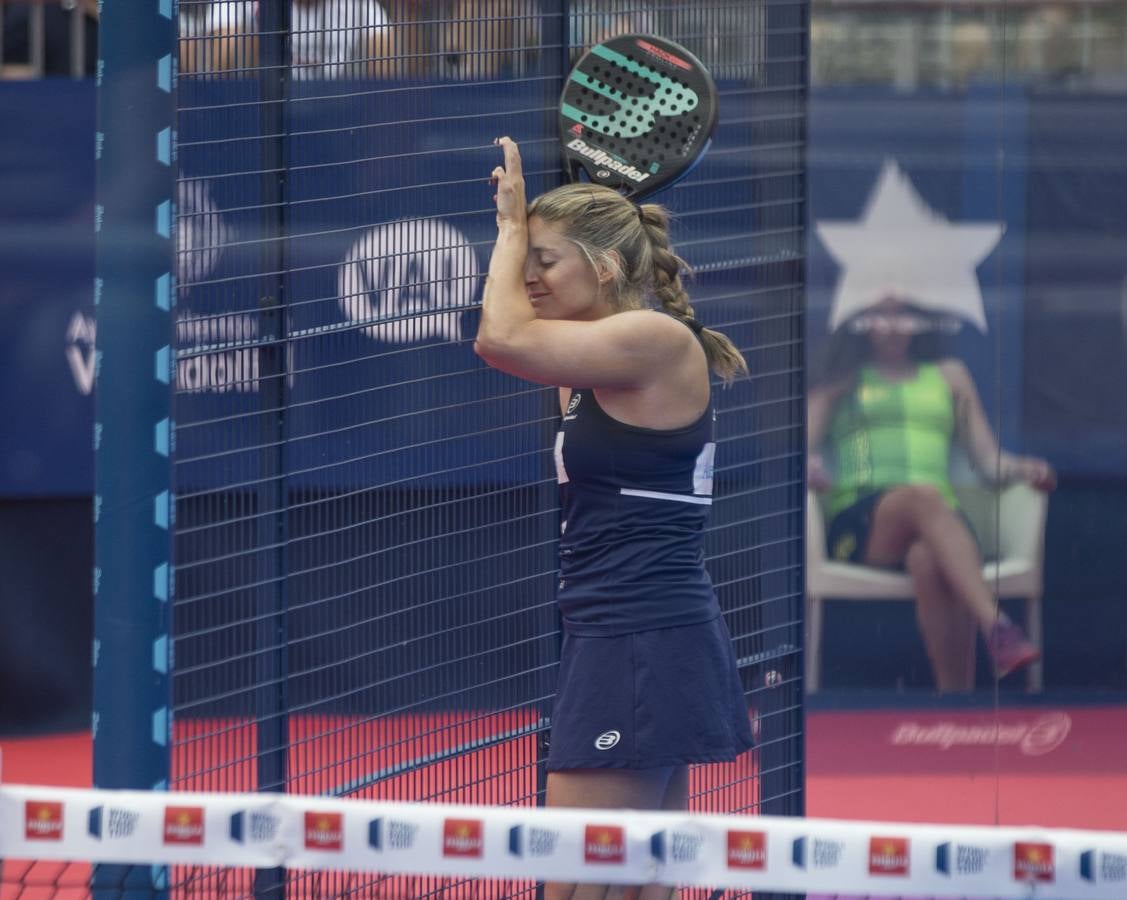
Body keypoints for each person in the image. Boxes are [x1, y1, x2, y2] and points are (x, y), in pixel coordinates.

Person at [476, 137, 753, 900]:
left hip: (640, 634)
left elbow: (498, 338)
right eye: (526, 260)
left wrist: (509, 229)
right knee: (635, 883)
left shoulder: (653, 340)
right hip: (616, 630)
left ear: (602, 267)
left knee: (575, 885)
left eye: (545, 260)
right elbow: (519, 337)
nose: (528, 276)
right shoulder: (591, 363)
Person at [808, 299, 1056, 692]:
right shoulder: (844, 376)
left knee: (926, 557)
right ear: (861, 321)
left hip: (939, 521)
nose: (893, 325)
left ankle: (955, 701)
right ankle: (997, 624)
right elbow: (801, 448)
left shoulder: (949, 376)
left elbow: (987, 461)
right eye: (881, 315)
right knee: (922, 495)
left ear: (921, 321)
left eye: (902, 315)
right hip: (863, 524)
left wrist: (1025, 469)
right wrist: (810, 466)